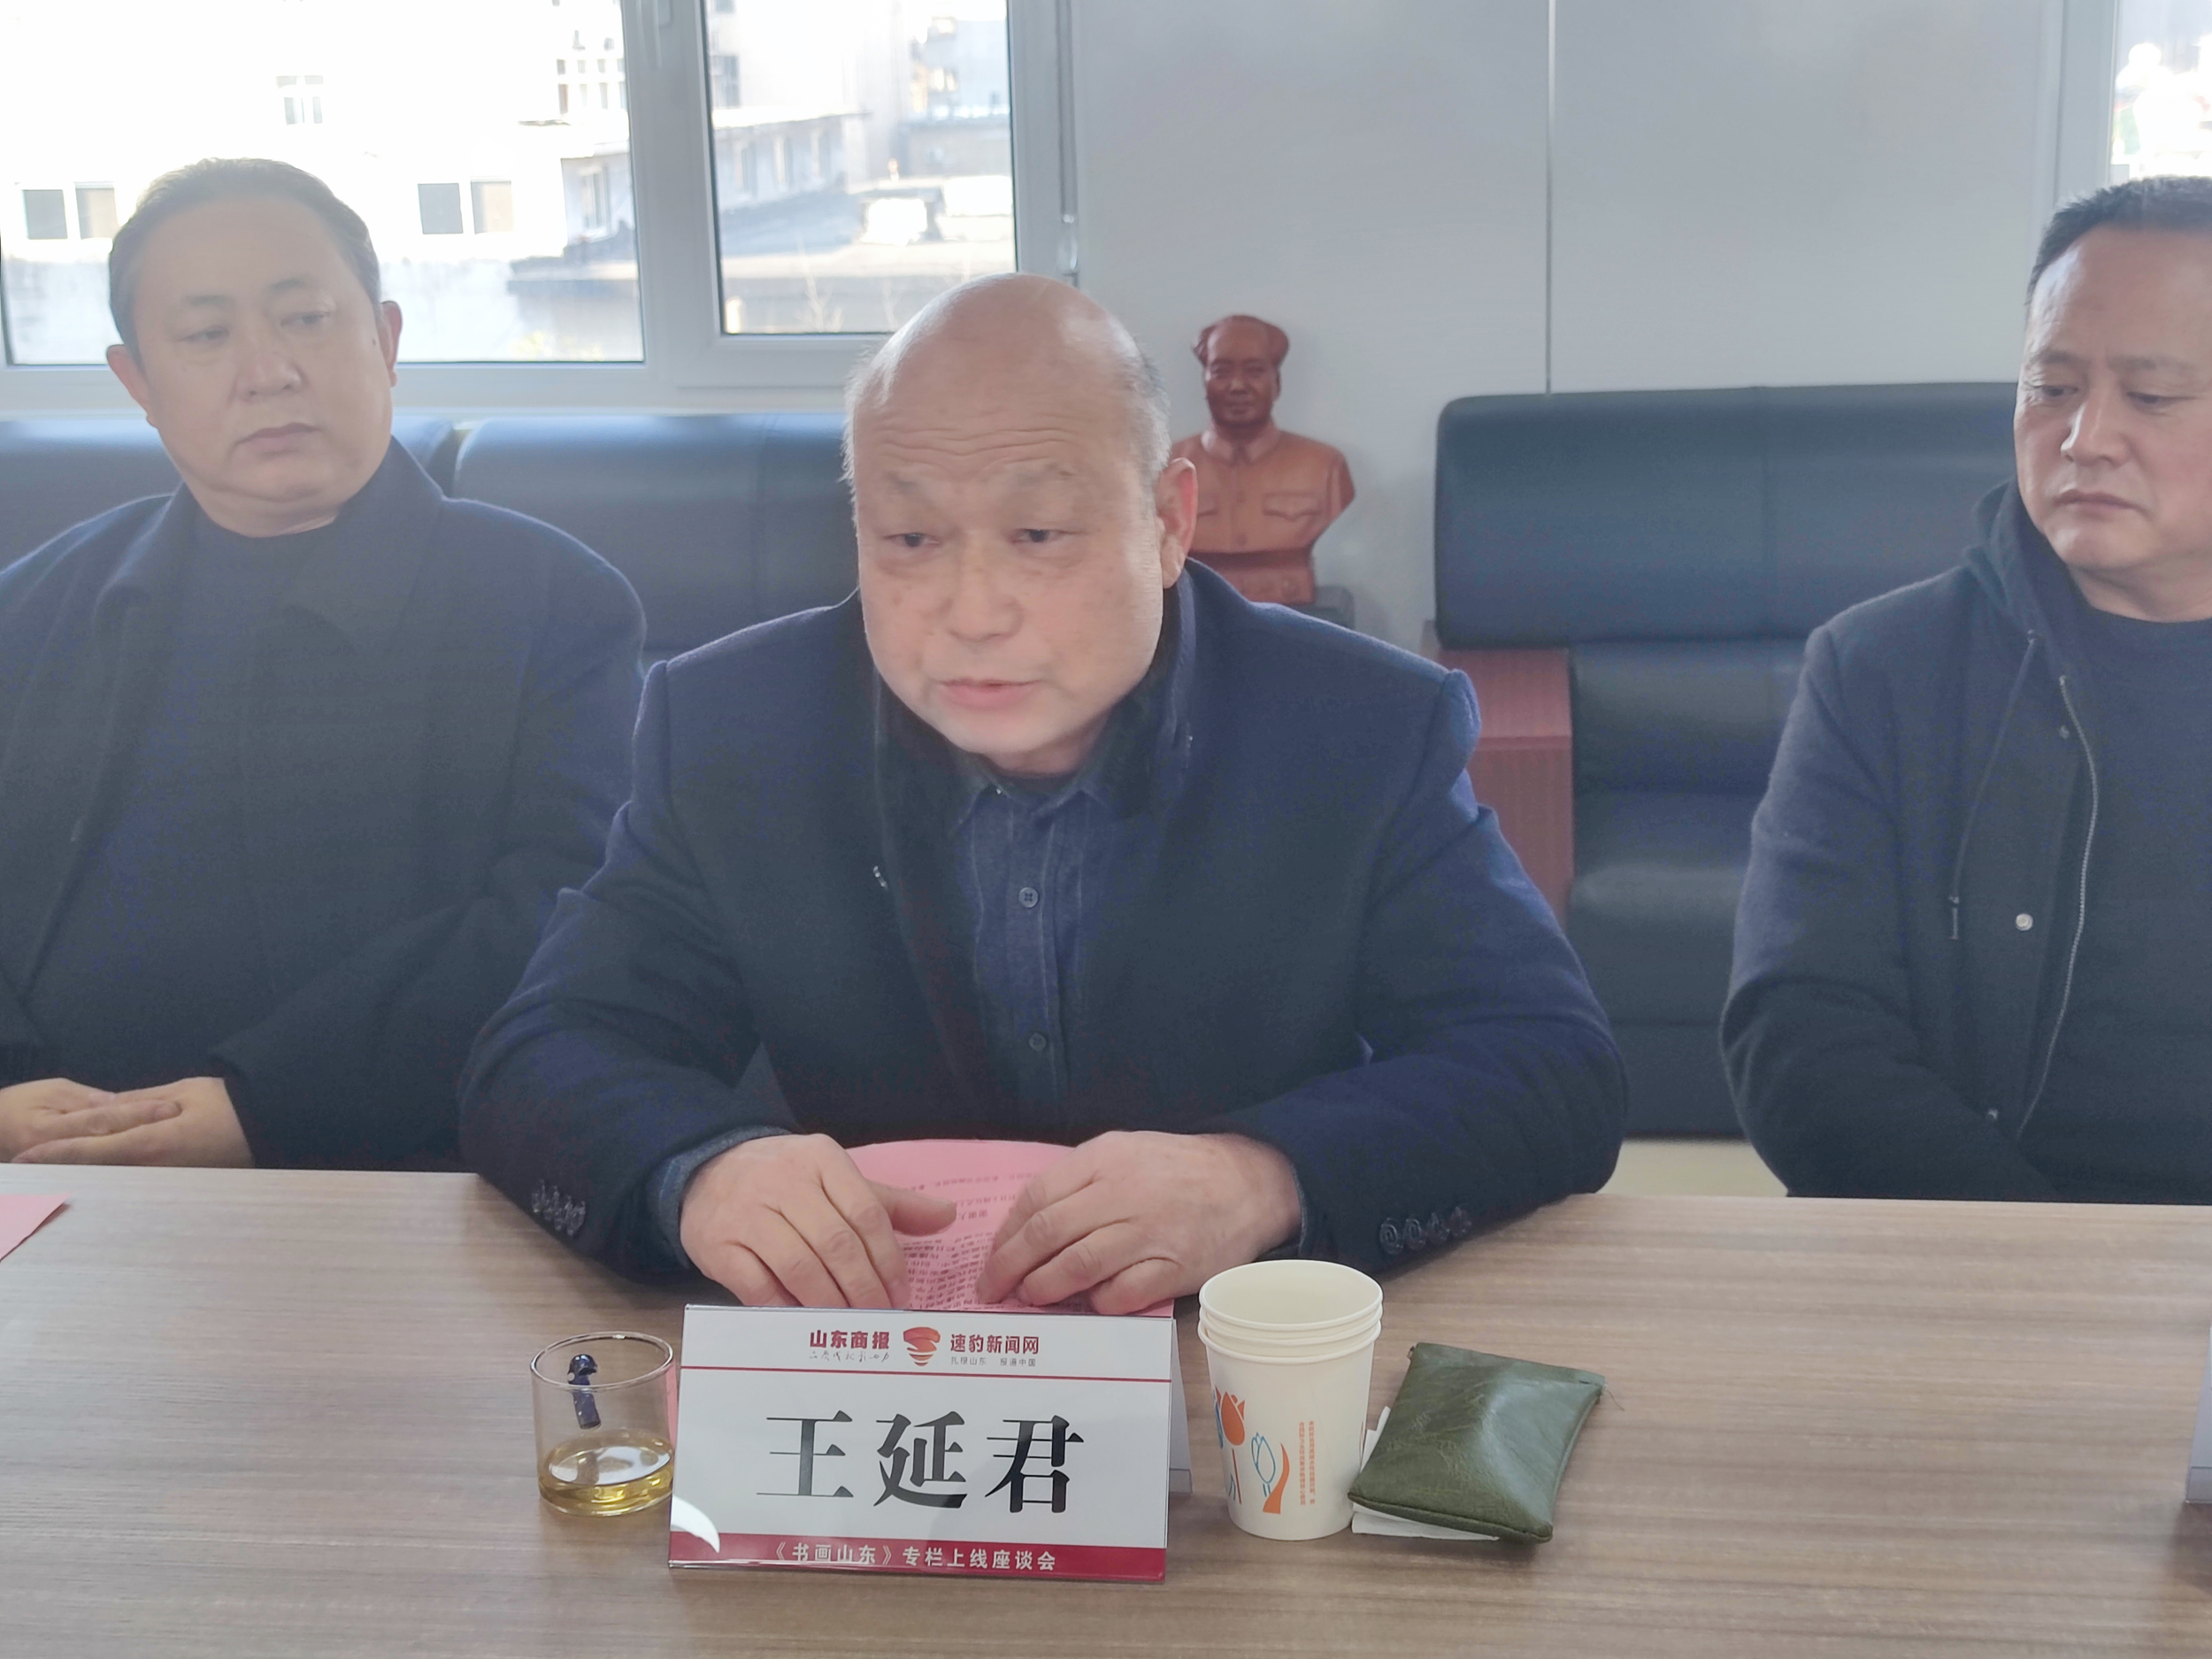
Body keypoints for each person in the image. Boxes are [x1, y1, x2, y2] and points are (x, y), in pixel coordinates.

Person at [462, 273, 1624, 1310]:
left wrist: (1264, 1175)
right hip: (881, 1369)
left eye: (1037, 532)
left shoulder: (1357, 728)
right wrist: (702, 1171)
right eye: (910, 538)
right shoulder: (733, 728)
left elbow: (1548, 1066)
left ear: (1167, 521)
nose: (971, 611)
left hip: (1229, 1357)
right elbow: (542, 1053)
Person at [0, 158, 642, 1169]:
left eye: (305, 318)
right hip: (47, 1176)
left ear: (385, 341)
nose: (268, 371)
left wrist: (264, 1110)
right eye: (206, 335)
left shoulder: (553, 601)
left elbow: (564, 912)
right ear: (139, 383)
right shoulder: (31, 610)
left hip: (388, 1168)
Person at [1726, 176, 2212, 1201]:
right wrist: (2040, 1265)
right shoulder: (1881, 668)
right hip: (1983, 1249)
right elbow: (1802, 1038)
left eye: (2152, 397)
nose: (2083, 437)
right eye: (2051, 388)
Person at [1167, 314, 1355, 607]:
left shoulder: (1325, 467)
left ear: (1277, 383)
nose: (1237, 386)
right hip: (1197, 599)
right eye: (1221, 372)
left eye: (1254, 371)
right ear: (1204, 382)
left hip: (1293, 598)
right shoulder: (1167, 466)